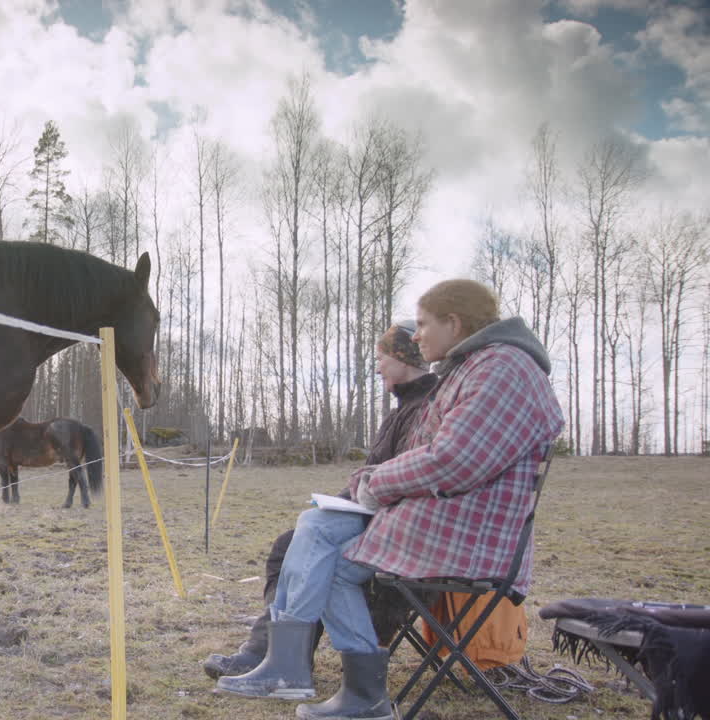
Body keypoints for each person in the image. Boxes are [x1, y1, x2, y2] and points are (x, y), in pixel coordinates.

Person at [216, 279, 563, 720]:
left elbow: (452, 460)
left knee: (323, 548)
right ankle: (329, 681)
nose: (416, 337)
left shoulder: (502, 369)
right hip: (446, 520)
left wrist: (377, 484)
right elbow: (428, 452)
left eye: (423, 324)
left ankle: (327, 680)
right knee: (316, 529)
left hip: (468, 536)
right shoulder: (479, 367)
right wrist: (372, 478)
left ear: (454, 323)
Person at [205, 321, 437, 681]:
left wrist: (345, 505)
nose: (377, 368)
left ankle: (277, 658)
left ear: (402, 358)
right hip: (380, 518)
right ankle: (274, 655)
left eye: (381, 358)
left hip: (401, 532)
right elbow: (374, 475)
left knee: (305, 543)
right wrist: (335, 503)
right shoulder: (403, 408)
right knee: (295, 538)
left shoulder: (426, 410)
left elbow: (402, 480)